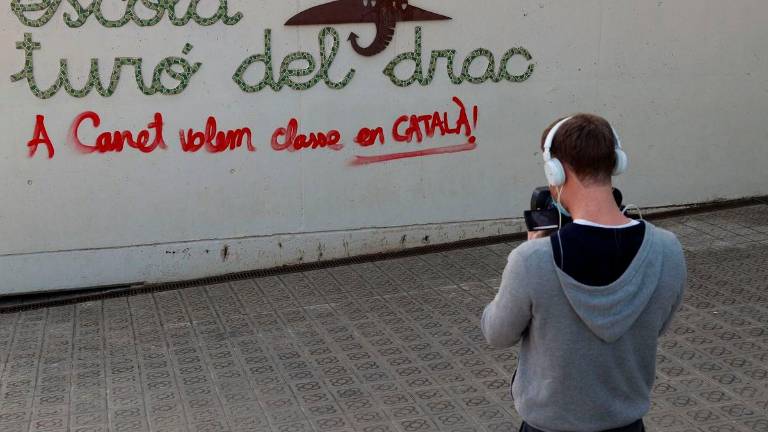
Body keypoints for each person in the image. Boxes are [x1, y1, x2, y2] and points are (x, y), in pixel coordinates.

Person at [481, 114, 687, 432]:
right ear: (616, 163)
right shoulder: (667, 249)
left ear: (556, 171)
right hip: (627, 425)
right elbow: (655, 326)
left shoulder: (533, 260)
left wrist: (528, 258)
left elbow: (497, 333)